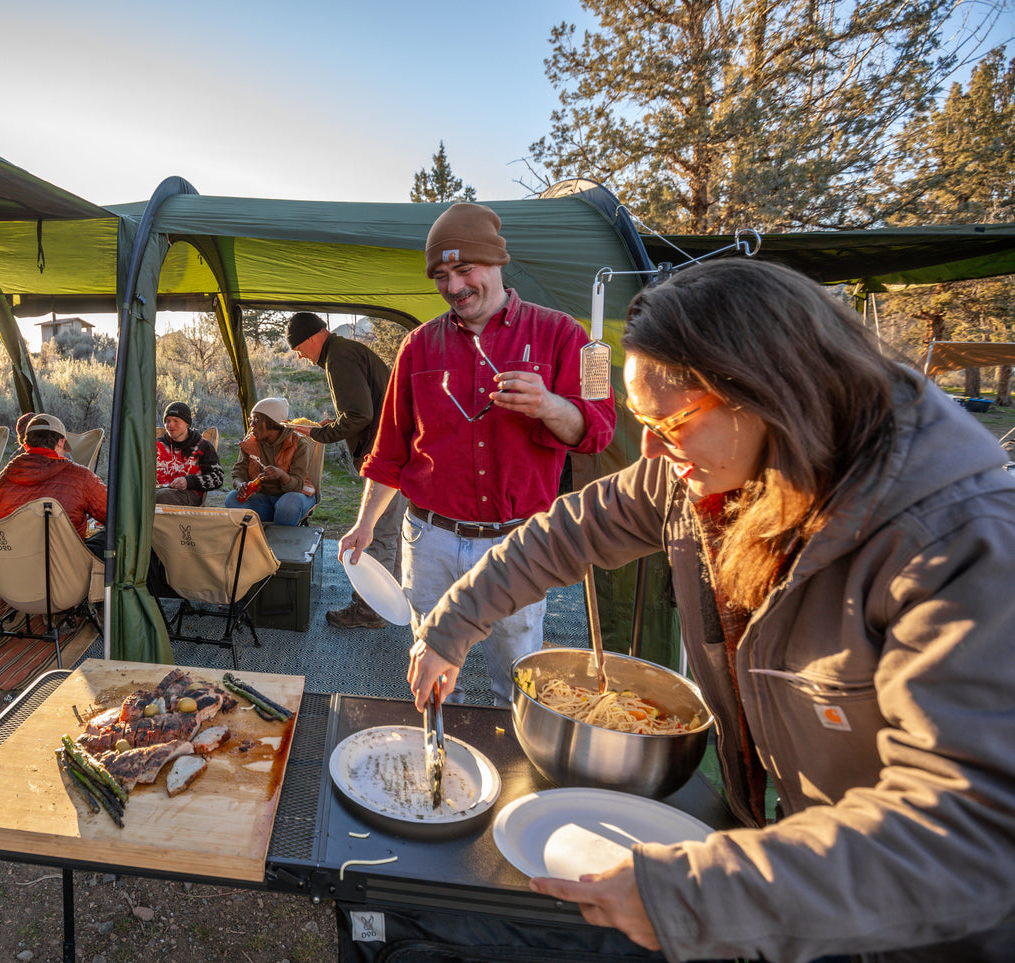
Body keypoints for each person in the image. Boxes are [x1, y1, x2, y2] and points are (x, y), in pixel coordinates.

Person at [407, 259, 1015, 962]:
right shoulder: (699, 470)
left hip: (931, 931)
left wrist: (697, 897)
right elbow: (562, 532)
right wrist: (449, 630)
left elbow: (968, 829)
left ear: (767, 392)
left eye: (673, 420)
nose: (656, 449)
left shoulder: (957, 542)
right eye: (641, 423)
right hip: (788, 866)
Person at [339, 202, 616, 705]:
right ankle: (441, 770)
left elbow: (596, 431)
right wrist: (363, 524)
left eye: (465, 269)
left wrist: (549, 405)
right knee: (434, 667)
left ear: (497, 263)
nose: (454, 286)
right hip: (429, 540)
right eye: (442, 275)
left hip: (516, 544)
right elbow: (390, 452)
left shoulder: (559, 335)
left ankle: (517, 771)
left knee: (516, 674)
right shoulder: (419, 346)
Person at [286, 311, 404, 630]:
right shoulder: (346, 351)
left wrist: (318, 434)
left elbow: (360, 414)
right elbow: (364, 408)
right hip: (393, 450)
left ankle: (368, 609)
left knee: (376, 532)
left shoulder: (338, 357)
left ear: (312, 337)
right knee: (390, 531)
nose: (300, 356)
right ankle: (391, 601)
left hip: (384, 456)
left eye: (298, 348)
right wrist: (332, 425)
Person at [0, 413, 107, 550]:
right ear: (61, 442)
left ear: (26, 446)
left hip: (16, 567)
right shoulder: (81, 477)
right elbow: (116, 515)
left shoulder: (0, 482)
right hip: (68, 566)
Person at [222, 397, 317, 526]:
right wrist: (240, 485)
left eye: (255, 420)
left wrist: (281, 475)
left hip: (295, 497)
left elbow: (298, 485)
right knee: (233, 499)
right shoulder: (251, 442)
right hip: (264, 499)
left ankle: (280, 540)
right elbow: (238, 473)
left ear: (272, 422)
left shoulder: (297, 443)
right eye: (251, 420)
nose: (251, 425)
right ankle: (277, 521)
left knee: (288, 505)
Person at [155, 401, 223, 506]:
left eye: (176, 421)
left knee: (160, 496)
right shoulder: (157, 445)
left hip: (189, 495)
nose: (170, 425)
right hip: (158, 491)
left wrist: (189, 481)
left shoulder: (202, 446)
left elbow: (218, 478)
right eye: (167, 421)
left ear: (187, 423)